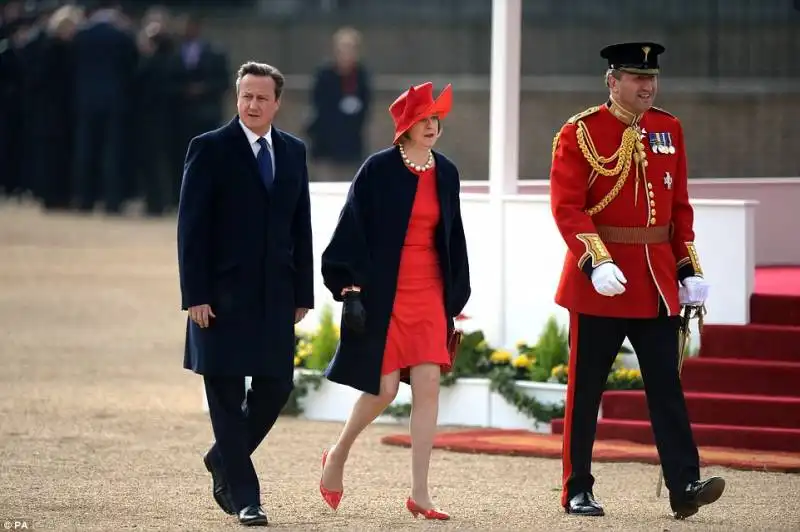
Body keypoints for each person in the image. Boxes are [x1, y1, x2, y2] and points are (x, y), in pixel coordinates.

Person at [549, 42, 725, 520]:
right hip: (601, 282)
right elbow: (568, 208)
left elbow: (678, 210)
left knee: (666, 387)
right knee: (586, 392)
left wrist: (689, 268)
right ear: (612, 81)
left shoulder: (669, 129)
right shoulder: (580, 132)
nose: (646, 86)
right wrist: (596, 261)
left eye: (650, 78)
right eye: (634, 77)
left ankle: (684, 483)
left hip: (656, 282)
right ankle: (577, 487)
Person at [318, 82, 471, 520]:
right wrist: (348, 287)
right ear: (404, 127)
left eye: (436, 118)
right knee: (383, 390)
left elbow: (453, 238)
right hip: (384, 292)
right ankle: (338, 454)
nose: (432, 125)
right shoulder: (377, 169)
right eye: (423, 119)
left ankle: (420, 494)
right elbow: (350, 228)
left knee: (428, 388)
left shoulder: (447, 172)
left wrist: (455, 294)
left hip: (430, 291)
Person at [177, 61, 314, 527]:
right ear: (236, 98)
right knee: (226, 395)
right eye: (245, 96)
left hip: (275, 295)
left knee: (277, 386)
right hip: (217, 299)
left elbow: (302, 225)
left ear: (278, 102)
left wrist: (303, 292)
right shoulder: (209, 148)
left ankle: (221, 458)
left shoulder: (294, 152)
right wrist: (195, 294)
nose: (252, 105)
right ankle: (246, 497)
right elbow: (190, 230)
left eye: (261, 97)